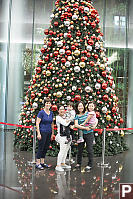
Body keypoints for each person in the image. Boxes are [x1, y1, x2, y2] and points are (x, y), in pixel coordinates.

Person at [74, 101, 98, 170]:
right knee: (80, 150)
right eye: (79, 106)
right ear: (77, 108)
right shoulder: (77, 116)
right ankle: (78, 163)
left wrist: (94, 126)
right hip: (81, 135)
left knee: (89, 149)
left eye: (81, 106)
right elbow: (76, 125)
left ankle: (90, 164)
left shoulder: (88, 113)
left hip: (89, 133)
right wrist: (85, 128)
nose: (80, 107)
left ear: (84, 106)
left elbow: (96, 119)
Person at [36, 98, 54, 170]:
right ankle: (38, 163)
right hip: (42, 132)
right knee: (41, 147)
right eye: (46, 103)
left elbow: (52, 124)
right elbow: (37, 123)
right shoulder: (41, 113)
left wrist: (52, 133)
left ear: (51, 104)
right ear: (44, 104)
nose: (48, 104)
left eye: (49, 103)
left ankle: (42, 162)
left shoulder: (51, 113)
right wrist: (38, 133)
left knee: (46, 147)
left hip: (49, 132)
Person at [55, 105, 73, 172]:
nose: (62, 110)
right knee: (62, 150)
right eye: (60, 109)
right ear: (58, 110)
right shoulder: (58, 118)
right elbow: (65, 123)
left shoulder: (66, 117)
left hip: (68, 136)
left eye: (63, 109)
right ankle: (58, 165)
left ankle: (62, 163)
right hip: (61, 136)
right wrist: (70, 120)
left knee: (66, 150)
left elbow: (71, 123)